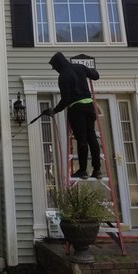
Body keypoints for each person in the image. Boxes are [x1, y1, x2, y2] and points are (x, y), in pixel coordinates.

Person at [43, 52, 102, 180]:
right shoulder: (80, 67)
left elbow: (66, 99)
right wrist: (91, 70)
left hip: (77, 109)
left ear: (58, 65)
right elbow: (96, 76)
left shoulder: (63, 76)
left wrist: (54, 110)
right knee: (92, 138)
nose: (55, 70)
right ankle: (97, 170)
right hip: (89, 106)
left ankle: (83, 171)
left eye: (54, 67)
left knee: (82, 140)